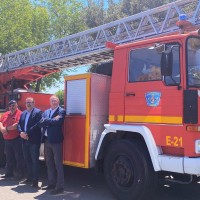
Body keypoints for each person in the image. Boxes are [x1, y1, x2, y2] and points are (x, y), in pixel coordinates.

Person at [39, 95, 66, 195]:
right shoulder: (46, 112)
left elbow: (58, 122)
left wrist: (47, 121)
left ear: (58, 101)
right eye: (52, 101)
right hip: (46, 140)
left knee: (58, 164)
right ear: (49, 102)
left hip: (56, 141)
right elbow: (41, 122)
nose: (54, 102)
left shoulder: (61, 111)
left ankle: (60, 187)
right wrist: (50, 121)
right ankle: (51, 183)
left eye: (55, 100)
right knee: (48, 163)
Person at [18, 97, 42, 187]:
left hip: (34, 141)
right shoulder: (23, 113)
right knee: (27, 160)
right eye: (27, 102)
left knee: (34, 161)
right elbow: (19, 124)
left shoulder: (38, 112)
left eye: (30, 102)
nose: (28, 104)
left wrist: (26, 133)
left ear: (34, 103)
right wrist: (21, 132)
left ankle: (35, 181)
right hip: (24, 140)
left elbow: (38, 125)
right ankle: (29, 178)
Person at [0, 100, 24, 180]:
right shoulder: (6, 113)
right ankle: (8, 173)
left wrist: (5, 129)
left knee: (18, 157)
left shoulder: (20, 113)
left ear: (17, 105)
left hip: (16, 139)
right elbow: (0, 122)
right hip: (7, 140)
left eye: (13, 105)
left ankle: (19, 174)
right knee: (8, 157)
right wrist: (2, 129)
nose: (11, 107)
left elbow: (16, 126)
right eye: (10, 106)